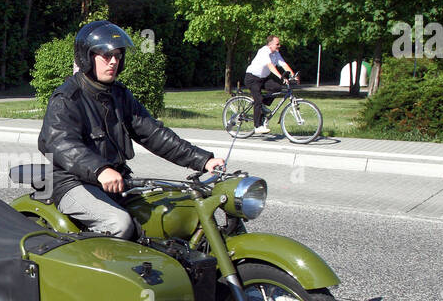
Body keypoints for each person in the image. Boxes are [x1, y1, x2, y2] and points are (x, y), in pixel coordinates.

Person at [38, 20, 224, 238]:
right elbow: (59, 142)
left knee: (171, 210)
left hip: (116, 180)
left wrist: (202, 160)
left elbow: (153, 134)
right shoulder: (68, 97)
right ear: (87, 57)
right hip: (71, 183)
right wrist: (100, 169)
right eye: (106, 56)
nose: (113, 62)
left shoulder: (119, 95)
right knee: (119, 223)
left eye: (117, 56)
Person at [244, 34, 298, 134]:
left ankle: (263, 105)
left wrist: (293, 76)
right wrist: (281, 77)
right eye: (277, 44)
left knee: (277, 88)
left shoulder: (276, 54)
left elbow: (284, 64)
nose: (279, 46)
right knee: (258, 100)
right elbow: (270, 66)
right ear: (270, 45)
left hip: (263, 78)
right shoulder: (264, 51)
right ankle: (257, 126)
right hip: (252, 78)